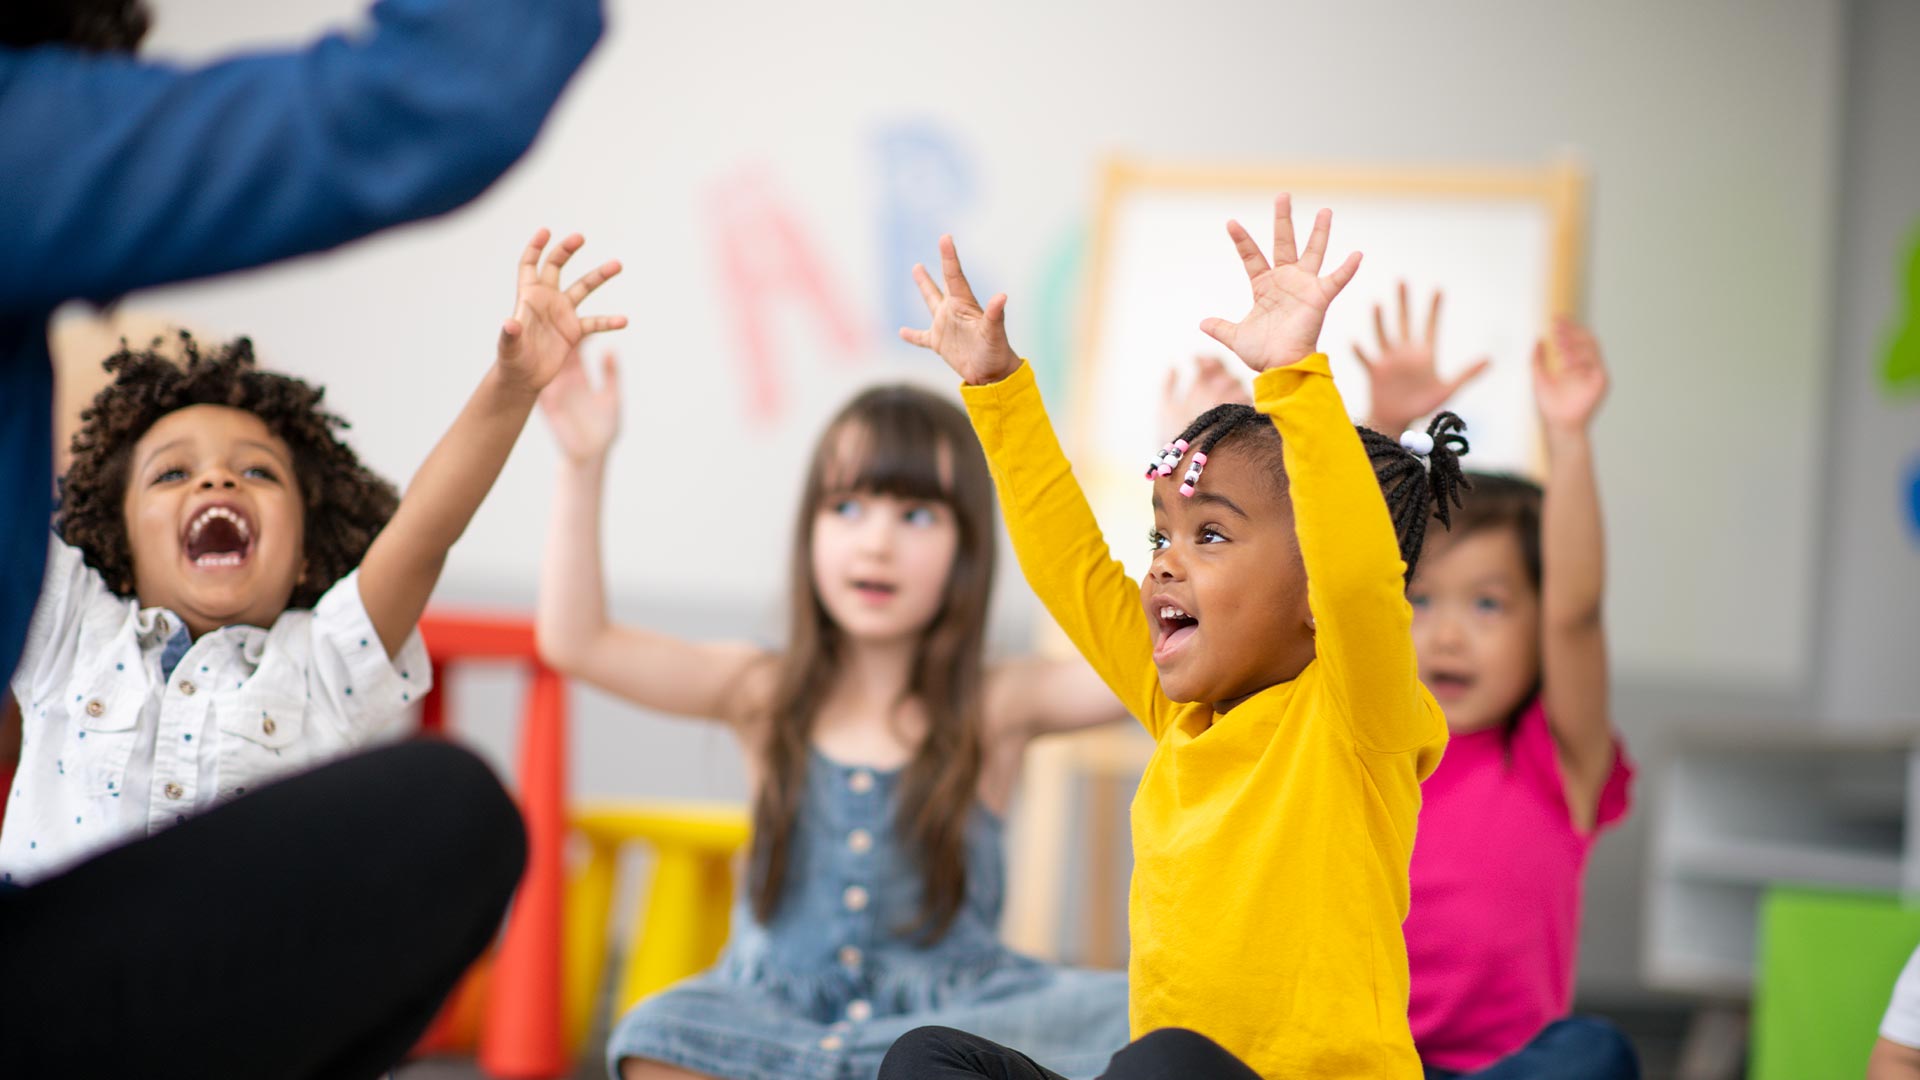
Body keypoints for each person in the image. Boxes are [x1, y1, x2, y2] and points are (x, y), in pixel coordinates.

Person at [887, 197, 1463, 1077]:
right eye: (1162, 535)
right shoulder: (1178, 711)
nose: (1162, 564)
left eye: (1212, 536)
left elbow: (1359, 576)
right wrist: (995, 389)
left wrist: (1295, 377)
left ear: (1313, 592)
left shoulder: (1361, 720)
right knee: (930, 1059)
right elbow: (1071, 567)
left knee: (1164, 1067)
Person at [536, 355, 1134, 1080]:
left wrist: (1188, 503)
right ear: (809, 530)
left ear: (967, 547)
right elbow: (578, 641)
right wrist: (581, 464)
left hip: (952, 1019)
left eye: (916, 515)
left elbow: (1151, 661)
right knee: (657, 1033)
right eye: (847, 508)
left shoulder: (996, 702)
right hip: (771, 1020)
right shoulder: (763, 689)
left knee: (1146, 1013)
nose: (876, 542)